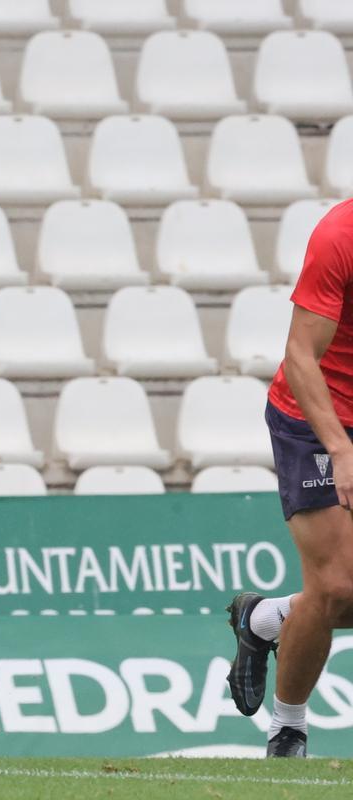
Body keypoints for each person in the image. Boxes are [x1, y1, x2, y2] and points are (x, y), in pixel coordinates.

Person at [229, 198, 353, 758]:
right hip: (315, 416)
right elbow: (300, 353)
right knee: (335, 586)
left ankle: (264, 617)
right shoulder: (339, 235)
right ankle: (289, 730)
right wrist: (339, 446)